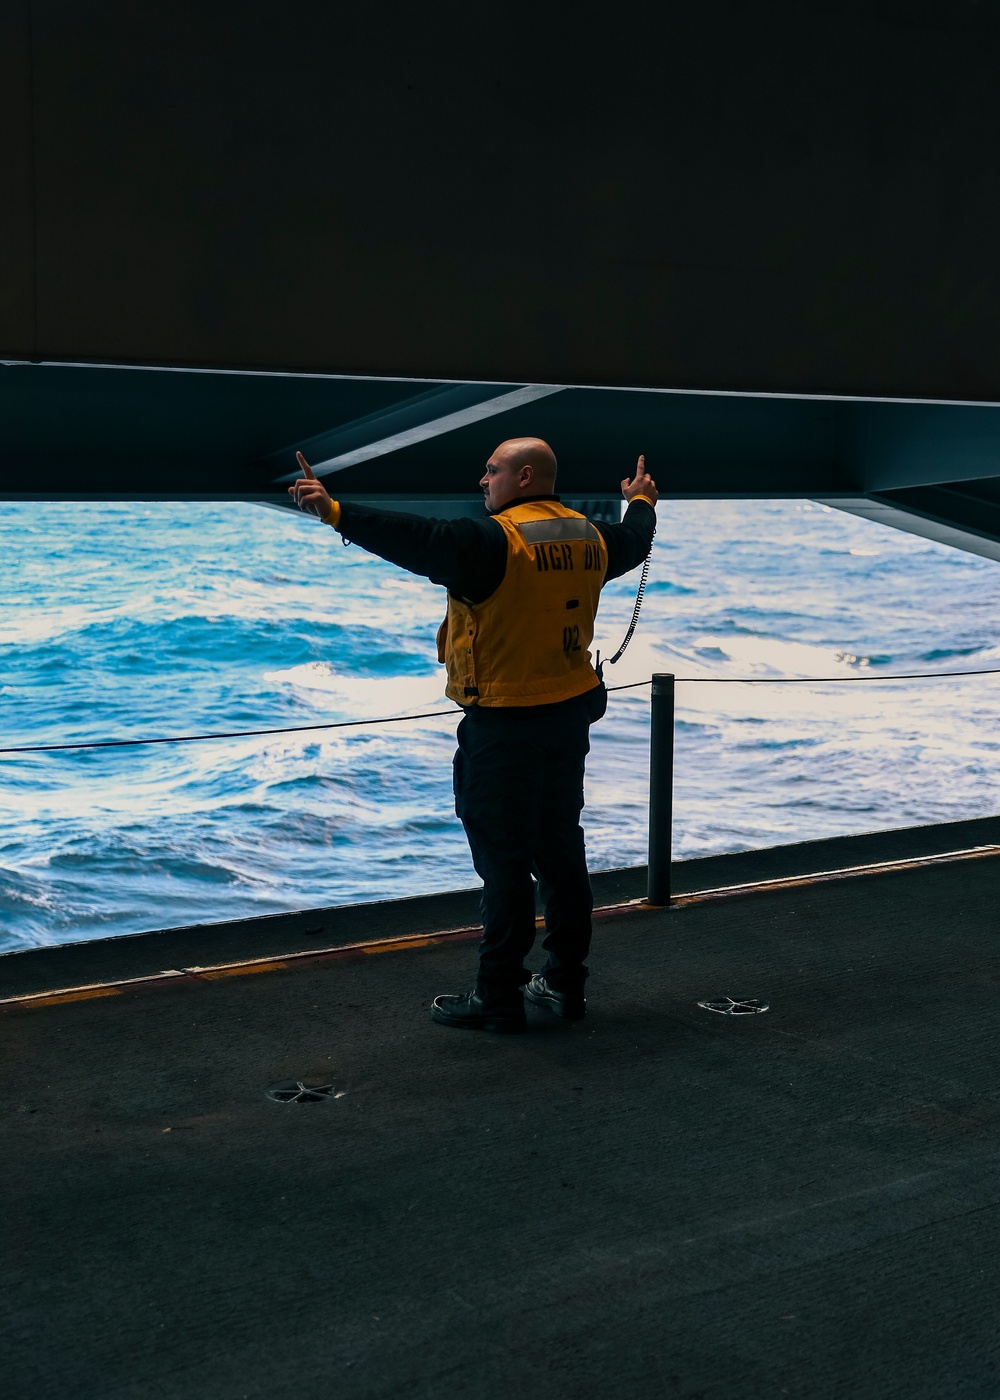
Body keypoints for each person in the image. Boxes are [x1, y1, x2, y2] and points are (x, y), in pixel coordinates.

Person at [290, 437, 657, 1032]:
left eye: (492, 471)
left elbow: (418, 538)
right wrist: (641, 501)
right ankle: (565, 987)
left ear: (525, 476)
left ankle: (499, 997)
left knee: (505, 865)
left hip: (504, 729)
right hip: (566, 720)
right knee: (562, 855)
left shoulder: (495, 543)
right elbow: (634, 540)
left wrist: (335, 511)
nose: (482, 480)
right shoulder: (591, 538)